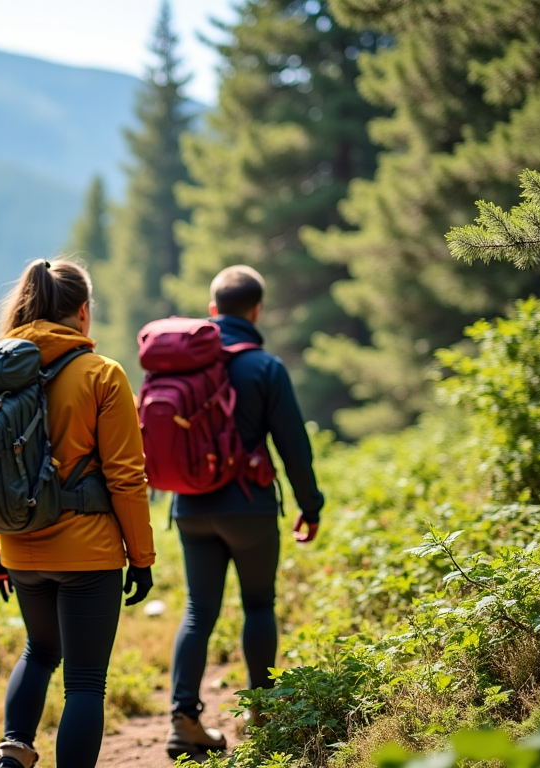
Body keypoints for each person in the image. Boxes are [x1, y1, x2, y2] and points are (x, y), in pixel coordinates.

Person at [0, 258, 157, 768]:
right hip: (88, 551)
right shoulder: (102, 375)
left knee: (39, 651)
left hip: (20, 549)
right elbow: (125, 477)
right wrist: (141, 558)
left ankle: (14, 752)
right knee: (85, 682)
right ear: (82, 311)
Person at [165, 265, 325, 757]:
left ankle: (183, 719)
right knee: (258, 604)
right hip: (249, 507)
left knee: (198, 610)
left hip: (190, 507)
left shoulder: (183, 363)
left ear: (213, 310)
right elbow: (294, 447)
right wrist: (310, 505)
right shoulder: (266, 367)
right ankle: (262, 714)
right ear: (257, 311)